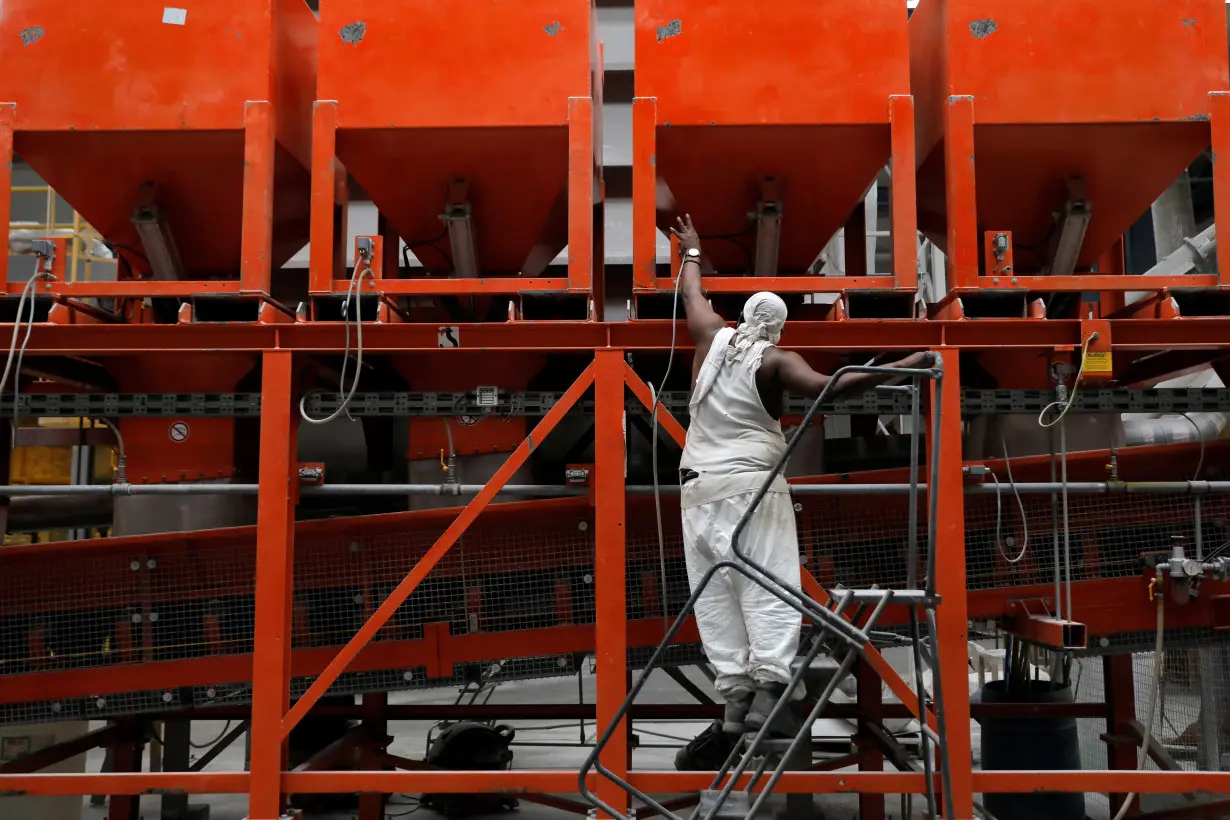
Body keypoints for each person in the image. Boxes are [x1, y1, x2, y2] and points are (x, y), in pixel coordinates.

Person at [670, 214, 933, 738]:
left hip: (695, 493)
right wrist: (906, 362)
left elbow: (692, 294)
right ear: (779, 326)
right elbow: (830, 388)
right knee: (767, 584)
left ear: (743, 316)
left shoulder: (708, 337)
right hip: (750, 490)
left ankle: (734, 706)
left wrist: (693, 250)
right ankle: (769, 692)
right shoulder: (775, 361)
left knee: (716, 595)